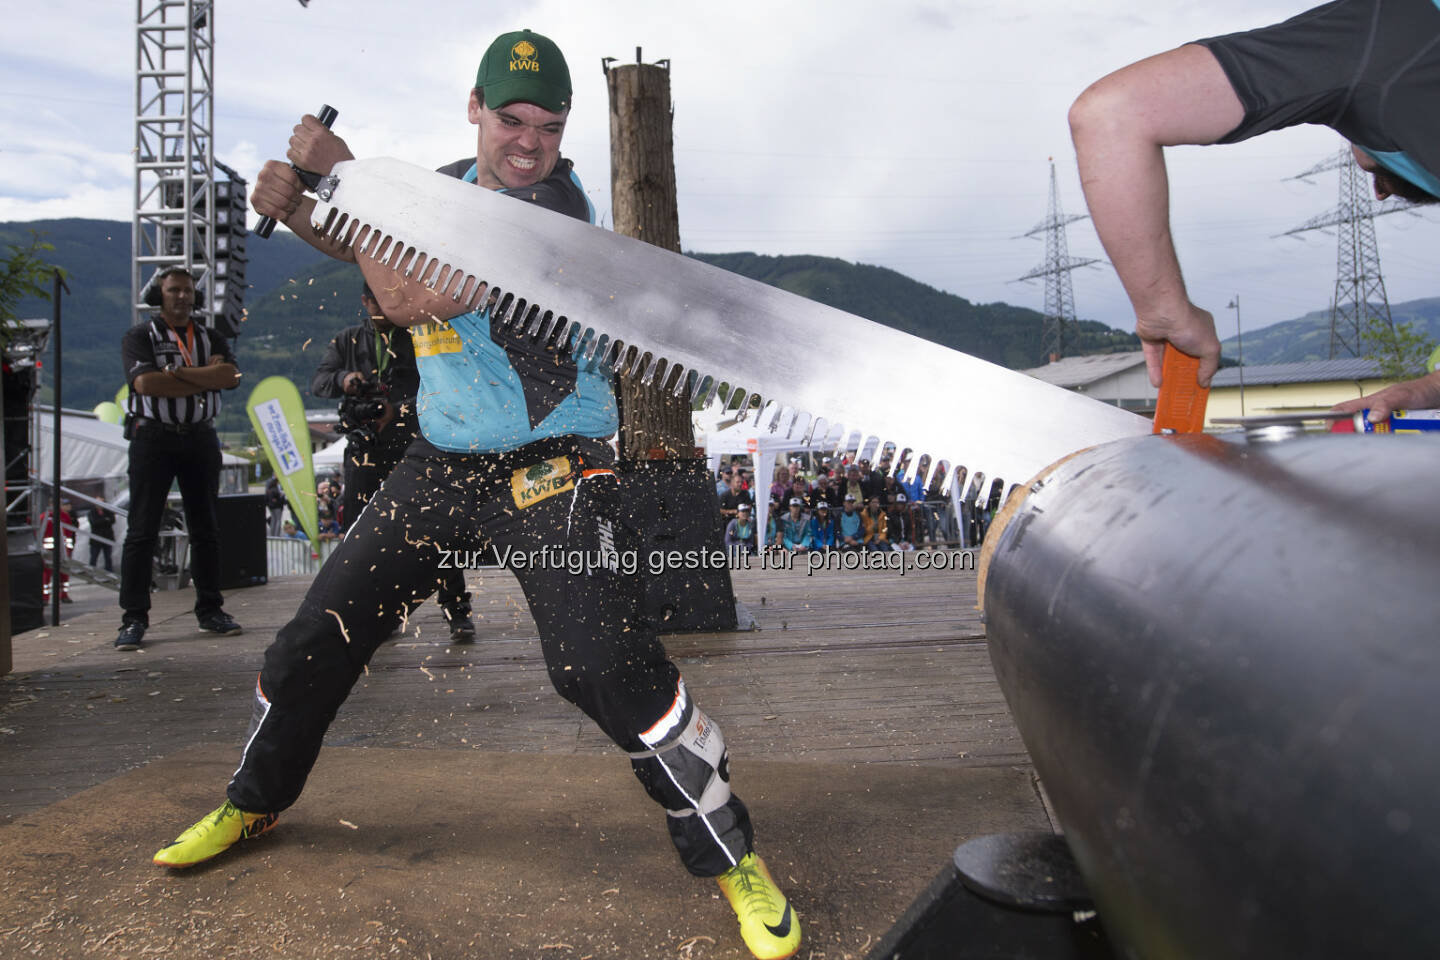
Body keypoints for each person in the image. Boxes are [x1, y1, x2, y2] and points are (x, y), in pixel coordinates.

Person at [152, 29, 799, 960]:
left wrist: (344, 175)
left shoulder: (556, 210)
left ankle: (730, 849)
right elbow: (362, 246)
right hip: (444, 457)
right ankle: (252, 804)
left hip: (553, 460)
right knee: (317, 635)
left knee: (600, 664)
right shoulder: (444, 186)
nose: (528, 139)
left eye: (549, 123)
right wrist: (295, 204)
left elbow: (413, 297)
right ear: (474, 109)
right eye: (511, 118)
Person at [1069, 0, 1440, 392]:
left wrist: (1163, 311)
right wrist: (1426, 390)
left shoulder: (1387, 36)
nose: (1376, 191)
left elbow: (1112, 113)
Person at [312, 286, 475, 639]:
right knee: (359, 533)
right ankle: (368, 614)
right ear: (365, 301)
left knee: (437, 528)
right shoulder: (347, 341)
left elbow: (443, 386)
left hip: (413, 444)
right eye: (375, 302)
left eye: (388, 302)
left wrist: (398, 409)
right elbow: (320, 382)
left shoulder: (418, 336)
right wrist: (346, 379)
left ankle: (457, 609)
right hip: (364, 444)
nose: (383, 309)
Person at [115, 267, 244, 651]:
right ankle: (133, 618)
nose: (182, 297)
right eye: (174, 291)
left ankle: (211, 610)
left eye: (188, 291)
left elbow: (232, 377)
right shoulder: (140, 336)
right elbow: (144, 383)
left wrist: (178, 373)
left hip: (200, 437)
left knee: (205, 528)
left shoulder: (210, 334)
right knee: (142, 530)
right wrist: (206, 375)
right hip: (153, 437)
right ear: (161, 294)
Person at [89, 504, 116, 572]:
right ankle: (91, 572)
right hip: (96, 539)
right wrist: (105, 519)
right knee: (94, 557)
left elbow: (112, 520)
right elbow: (94, 523)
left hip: (107, 537)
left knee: (108, 557)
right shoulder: (92, 512)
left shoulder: (108, 511)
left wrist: (101, 520)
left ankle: (109, 572)